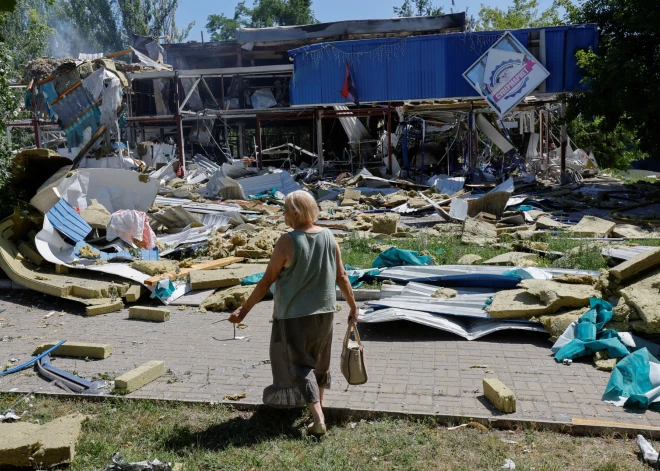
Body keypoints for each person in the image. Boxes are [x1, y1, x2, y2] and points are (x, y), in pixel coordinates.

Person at [228, 190, 358, 437]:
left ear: (296, 213)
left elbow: (267, 280)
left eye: (285, 210)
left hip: (293, 317)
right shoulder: (330, 236)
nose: (283, 214)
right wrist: (353, 306)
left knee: (299, 367)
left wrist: (244, 311)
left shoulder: (287, 241)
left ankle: (319, 418)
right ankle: (318, 410)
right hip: (326, 313)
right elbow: (342, 276)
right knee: (319, 362)